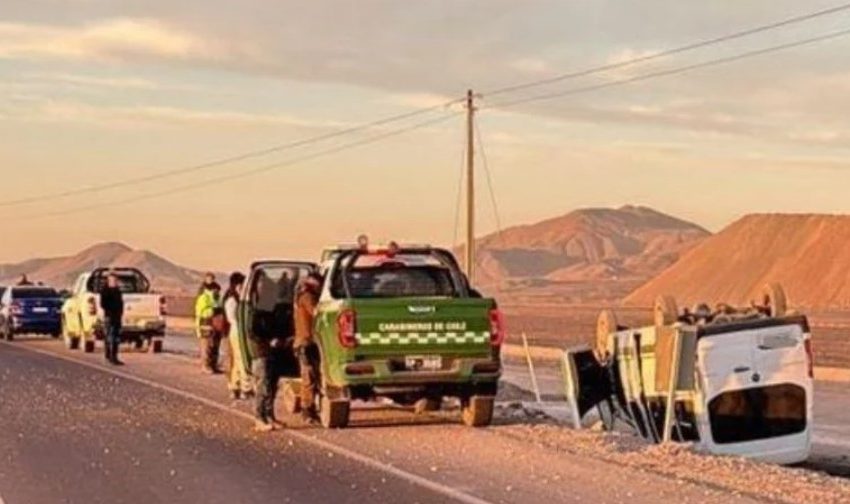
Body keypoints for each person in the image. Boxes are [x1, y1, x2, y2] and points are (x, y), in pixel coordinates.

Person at [248, 285, 287, 432]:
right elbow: (253, 334)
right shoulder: (256, 314)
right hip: (261, 353)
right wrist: (268, 341)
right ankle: (259, 417)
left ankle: (269, 416)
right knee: (262, 387)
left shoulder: (270, 314)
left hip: (272, 353)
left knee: (271, 386)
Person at [294, 272, 322, 425]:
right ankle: (307, 410)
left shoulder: (303, 295)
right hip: (305, 342)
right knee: (309, 376)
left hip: (307, 342)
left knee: (311, 376)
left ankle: (310, 409)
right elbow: (317, 313)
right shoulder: (307, 297)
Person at [224, 272, 253, 400]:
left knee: (237, 359)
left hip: (237, 331)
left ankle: (235, 386)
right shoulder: (232, 300)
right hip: (237, 331)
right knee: (241, 359)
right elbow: (233, 319)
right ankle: (245, 388)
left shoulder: (236, 299)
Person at [195, 276, 224, 374]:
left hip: (216, 325)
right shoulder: (204, 297)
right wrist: (214, 311)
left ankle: (213, 365)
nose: (217, 292)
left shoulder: (217, 298)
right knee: (207, 347)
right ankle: (205, 366)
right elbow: (201, 312)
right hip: (206, 324)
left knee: (215, 346)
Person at [100, 273, 124, 366]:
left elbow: (121, 303)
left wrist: (120, 313)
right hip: (109, 317)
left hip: (117, 317)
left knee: (116, 337)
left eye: (115, 280)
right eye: (112, 280)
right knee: (110, 337)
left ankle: (114, 356)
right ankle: (109, 356)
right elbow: (103, 304)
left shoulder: (117, 291)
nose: (114, 282)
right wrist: (111, 311)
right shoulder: (105, 291)